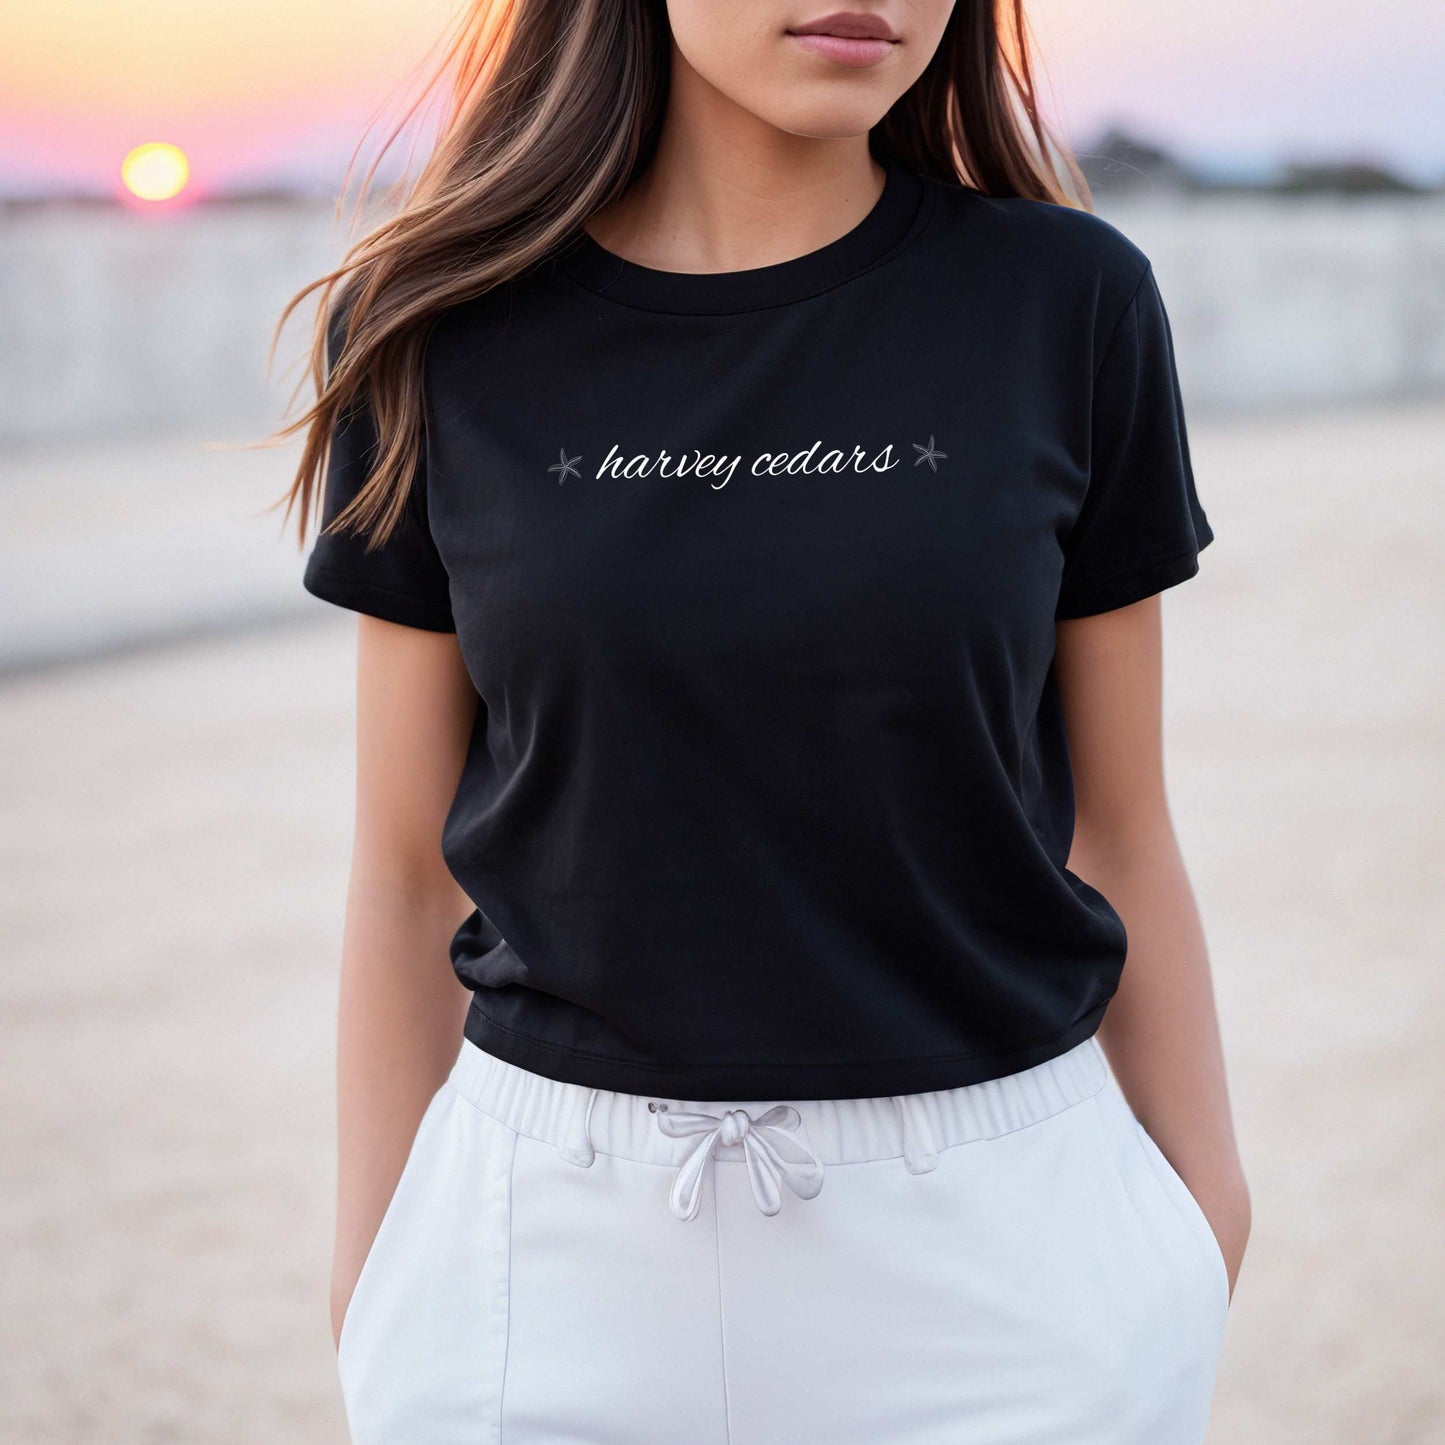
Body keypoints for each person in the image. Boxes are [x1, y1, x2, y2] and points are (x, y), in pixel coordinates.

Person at [275, 0, 1252, 1439]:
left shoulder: (1064, 303)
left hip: (1009, 1263)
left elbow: (1117, 822)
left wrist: (1195, 1228)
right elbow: (407, 867)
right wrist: (376, 1281)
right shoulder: (437, 329)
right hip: (540, 1259)